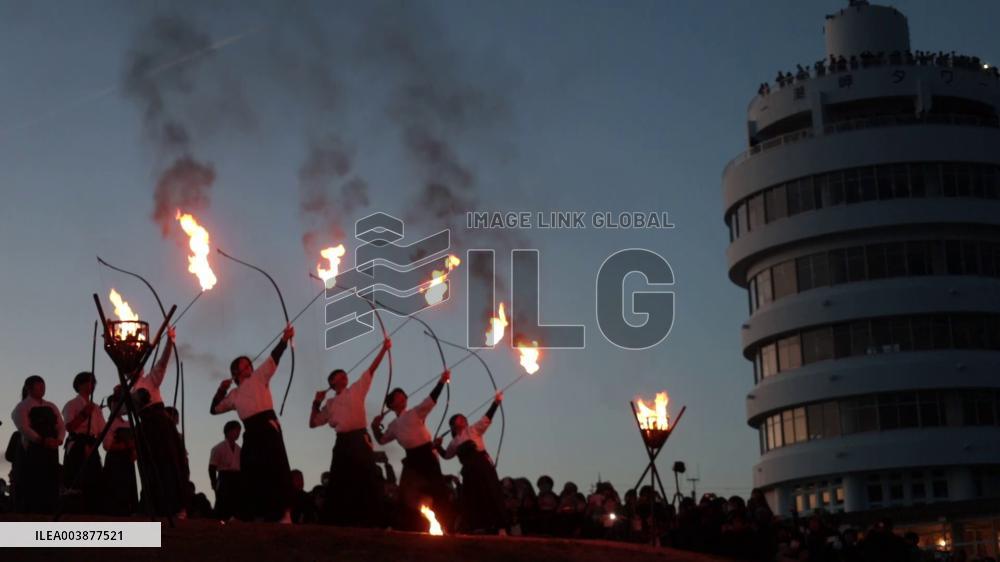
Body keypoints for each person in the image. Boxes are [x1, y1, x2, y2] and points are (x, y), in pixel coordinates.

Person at [211, 324, 295, 523]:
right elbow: (214, 409)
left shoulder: (259, 376)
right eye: (244, 365)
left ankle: (285, 513)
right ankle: (249, 513)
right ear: (236, 373)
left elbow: (274, 357)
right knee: (249, 471)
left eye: (249, 363)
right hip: (251, 430)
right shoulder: (234, 394)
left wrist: (284, 339)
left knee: (277, 467)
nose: (249, 366)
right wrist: (221, 391)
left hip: (267, 426)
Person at [309, 337, 390, 527]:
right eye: (339, 376)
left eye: (344, 374)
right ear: (332, 382)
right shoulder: (329, 404)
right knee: (339, 479)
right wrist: (316, 403)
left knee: (367, 476)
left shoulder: (356, 389)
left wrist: (384, 349)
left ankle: (373, 520)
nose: (344, 376)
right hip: (342, 441)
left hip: (359, 438)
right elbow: (313, 423)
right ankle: (338, 520)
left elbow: (371, 369)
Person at [371, 369, 451, 532]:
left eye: (403, 395)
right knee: (407, 493)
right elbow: (382, 439)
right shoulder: (393, 425)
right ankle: (408, 527)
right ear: (392, 405)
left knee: (437, 489)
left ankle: (445, 526)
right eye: (398, 396)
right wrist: (374, 427)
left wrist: (442, 381)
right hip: (412, 458)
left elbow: (431, 400)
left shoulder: (415, 412)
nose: (402, 397)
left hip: (427, 454)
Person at [127, 326, 190, 518]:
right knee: (149, 466)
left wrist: (169, 341)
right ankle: (153, 507)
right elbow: (123, 408)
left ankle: (178, 508)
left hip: (161, 424)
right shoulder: (127, 390)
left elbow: (162, 362)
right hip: (145, 427)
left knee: (169, 463)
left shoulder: (151, 379)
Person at [435, 392, 506, 534]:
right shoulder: (454, 442)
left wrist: (495, 403)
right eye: (459, 419)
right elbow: (446, 455)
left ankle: (501, 526)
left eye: (463, 418)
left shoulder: (473, 429)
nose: (463, 420)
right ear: (453, 426)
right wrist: (438, 446)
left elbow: (486, 419)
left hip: (482, 464)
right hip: (468, 469)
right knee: (473, 496)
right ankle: (478, 525)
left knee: (492, 491)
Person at [11, 375, 65, 514]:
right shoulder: (22, 407)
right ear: (29, 388)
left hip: (52, 448)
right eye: (39, 386)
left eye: (44, 386)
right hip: (34, 449)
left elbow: (60, 425)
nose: (43, 389)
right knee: (34, 480)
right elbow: (24, 428)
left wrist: (59, 439)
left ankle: (50, 509)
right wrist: (41, 440)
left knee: (51, 479)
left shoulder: (51, 406)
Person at [62, 371, 105, 513]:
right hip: (77, 443)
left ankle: (92, 511)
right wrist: (84, 413)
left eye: (93, 383)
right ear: (79, 385)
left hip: (92, 444)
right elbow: (69, 427)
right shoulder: (71, 404)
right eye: (88, 382)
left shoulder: (96, 408)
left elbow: (101, 431)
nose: (91, 386)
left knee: (94, 479)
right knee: (76, 479)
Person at [101, 389, 138, 516]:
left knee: (128, 487)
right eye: (114, 404)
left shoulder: (129, 423)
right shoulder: (108, 424)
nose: (117, 406)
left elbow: (136, 441)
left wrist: (134, 450)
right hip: (115, 460)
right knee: (114, 487)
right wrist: (124, 445)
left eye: (119, 404)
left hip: (127, 460)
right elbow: (107, 445)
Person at [208, 420, 243, 521]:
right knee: (223, 501)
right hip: (224, 477)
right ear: (228, 431)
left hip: (237, 477)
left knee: (237, 501)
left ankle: (235, 519)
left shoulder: (239, 450)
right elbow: (212, 467)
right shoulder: (218, 448)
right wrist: (213, 482)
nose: (237, 434)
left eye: (239, 431)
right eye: (236, 431)